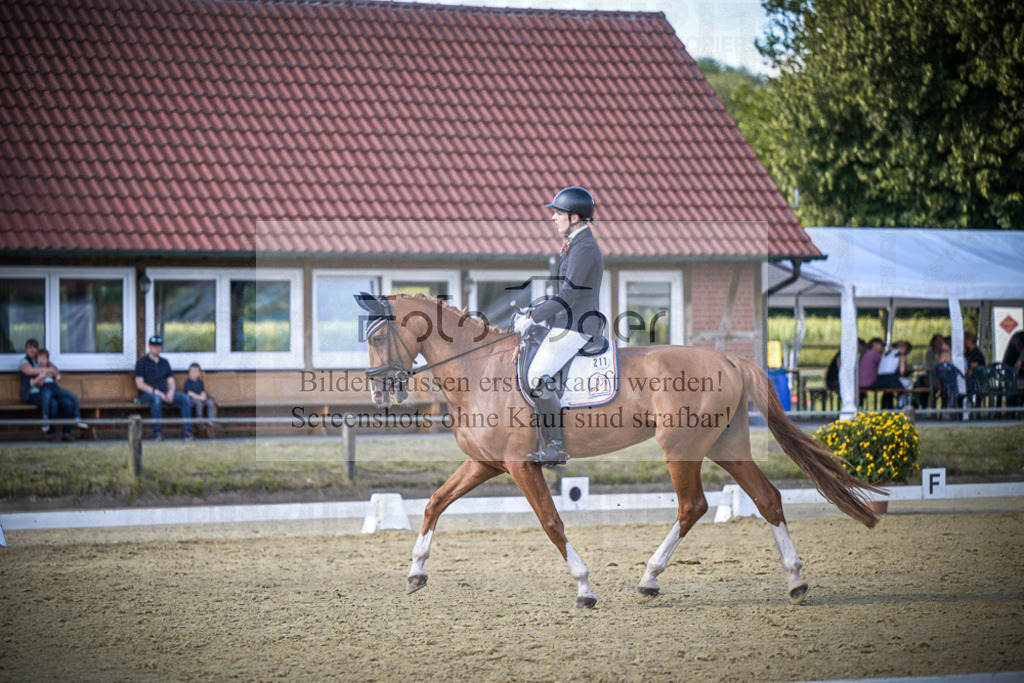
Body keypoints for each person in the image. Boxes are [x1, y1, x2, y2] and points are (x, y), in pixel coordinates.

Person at [513, 186, 604, 466]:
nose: (553, 218)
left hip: (577, 326)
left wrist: (533, 318)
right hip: (567, 321)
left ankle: (555, 446)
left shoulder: (585, 247)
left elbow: (569, 296)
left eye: (558, 213)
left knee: (537, 375)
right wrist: (534, 311)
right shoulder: (576, 243)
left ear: (574, 217)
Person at [19, 339, 86, 441]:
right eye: (30, 347)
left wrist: (51, 371)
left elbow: (55, 370)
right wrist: (48, 371)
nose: (32, 350)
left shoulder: (41, 360)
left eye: (34, 347)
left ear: (37, 349)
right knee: (53, 403)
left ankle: (67, 433)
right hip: (32, 393)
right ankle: (52, 434)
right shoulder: (24, 362)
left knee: (67, 403)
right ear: (26, 349)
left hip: (50, 390)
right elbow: (30, 371)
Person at [134, 335, 193, 442]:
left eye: (159, 346)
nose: (157, 348)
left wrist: (170, 392)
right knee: (156, 399)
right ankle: (157, 433)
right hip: (146, 395)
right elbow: (140, 384)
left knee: (185, 398)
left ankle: (187, 432)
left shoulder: (164, 362)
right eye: (154, 346)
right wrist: (157, 392)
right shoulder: (141, 362)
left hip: (164, 393)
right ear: (149, 346)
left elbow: (171, 381)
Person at [857, 338, 883, 406]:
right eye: (881, 345)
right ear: (875, 345)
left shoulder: (865, 353)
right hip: (870, 383)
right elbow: (883, 365)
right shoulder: (874, 354)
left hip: (860, 383)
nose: (882, 347)